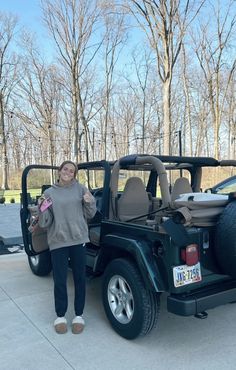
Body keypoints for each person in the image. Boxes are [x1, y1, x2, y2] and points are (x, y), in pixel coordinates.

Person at [38, 160, 97, 334]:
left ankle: (79, 315)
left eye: (72, 171)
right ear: (59, 171)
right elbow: (45, 222)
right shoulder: (49, 193)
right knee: (60, 280)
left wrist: (90, 201)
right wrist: (41, 208)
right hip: (58, 241)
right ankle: (60, 316)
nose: (68, 173)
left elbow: (90, 214)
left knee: (80, 279)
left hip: (78, 239)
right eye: (66, 169)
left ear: (74, 175)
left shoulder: (81, 189)